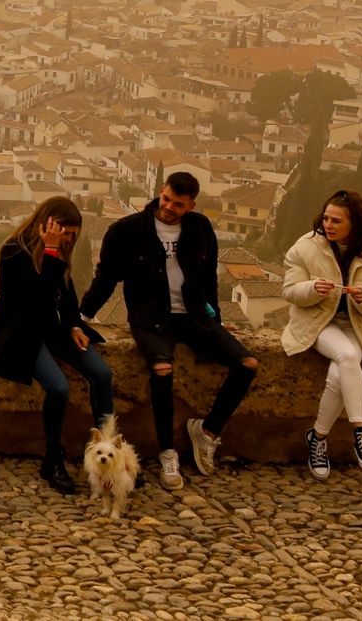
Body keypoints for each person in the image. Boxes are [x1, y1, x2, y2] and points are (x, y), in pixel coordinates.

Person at [80, 170, 258, 489]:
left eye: (177, 204)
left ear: (190, 205)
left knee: (247, 364)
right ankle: (167, 452)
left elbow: (208, 280)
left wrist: (214, 320)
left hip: (193, 316)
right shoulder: (127, 231)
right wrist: (84, 315)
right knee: (162, 370)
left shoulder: (200, 228)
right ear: (160, 193)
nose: (168, 207)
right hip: (150, 318)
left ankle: (206, 433)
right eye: (166, 199)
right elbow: (106, 276)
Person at [0, 196, 113, 495]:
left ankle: (108, 451)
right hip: (23, 331)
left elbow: (65, 294)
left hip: (55, 327)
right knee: (58, 388)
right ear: (47, 224)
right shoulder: (14, 250)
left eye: (72, 235)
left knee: (101, 374)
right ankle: (53, 457)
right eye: (65, 233)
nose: (69, 240)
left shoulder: (59, 251)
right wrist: (49, 251)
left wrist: (74, 324)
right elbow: (38, 297)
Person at [281, 189, 362, 478]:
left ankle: (317, 439)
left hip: (358, 327)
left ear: (355, 223)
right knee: (346, 356)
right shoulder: (305, 247)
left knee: (340, 369)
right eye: (326, 219)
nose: (328, 225)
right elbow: (289, 291)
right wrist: (312, 289)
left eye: (336, 221)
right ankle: (361, 432)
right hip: (317, 323)